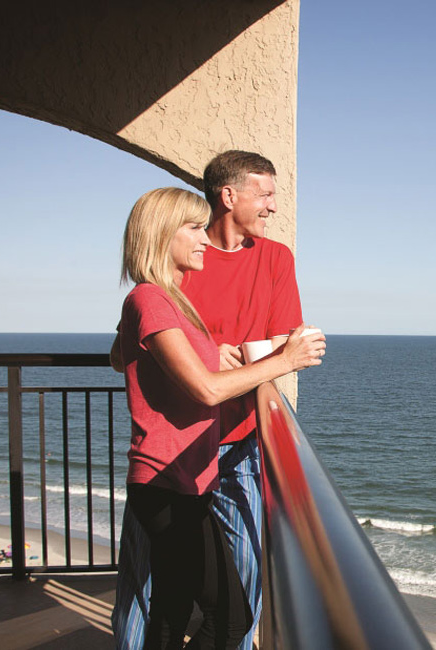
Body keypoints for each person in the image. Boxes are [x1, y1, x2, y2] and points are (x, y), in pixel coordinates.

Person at [112, 152, 305, 650]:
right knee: (153, 586)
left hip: (232, 445)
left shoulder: (272, 259)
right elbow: (145, 359)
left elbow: (266, 344)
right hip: (171, 461)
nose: (273, 207)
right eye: (264, 194)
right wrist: (206, 357)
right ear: (229, 195)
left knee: (214, 588)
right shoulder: (162, 285)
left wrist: (208, 352)